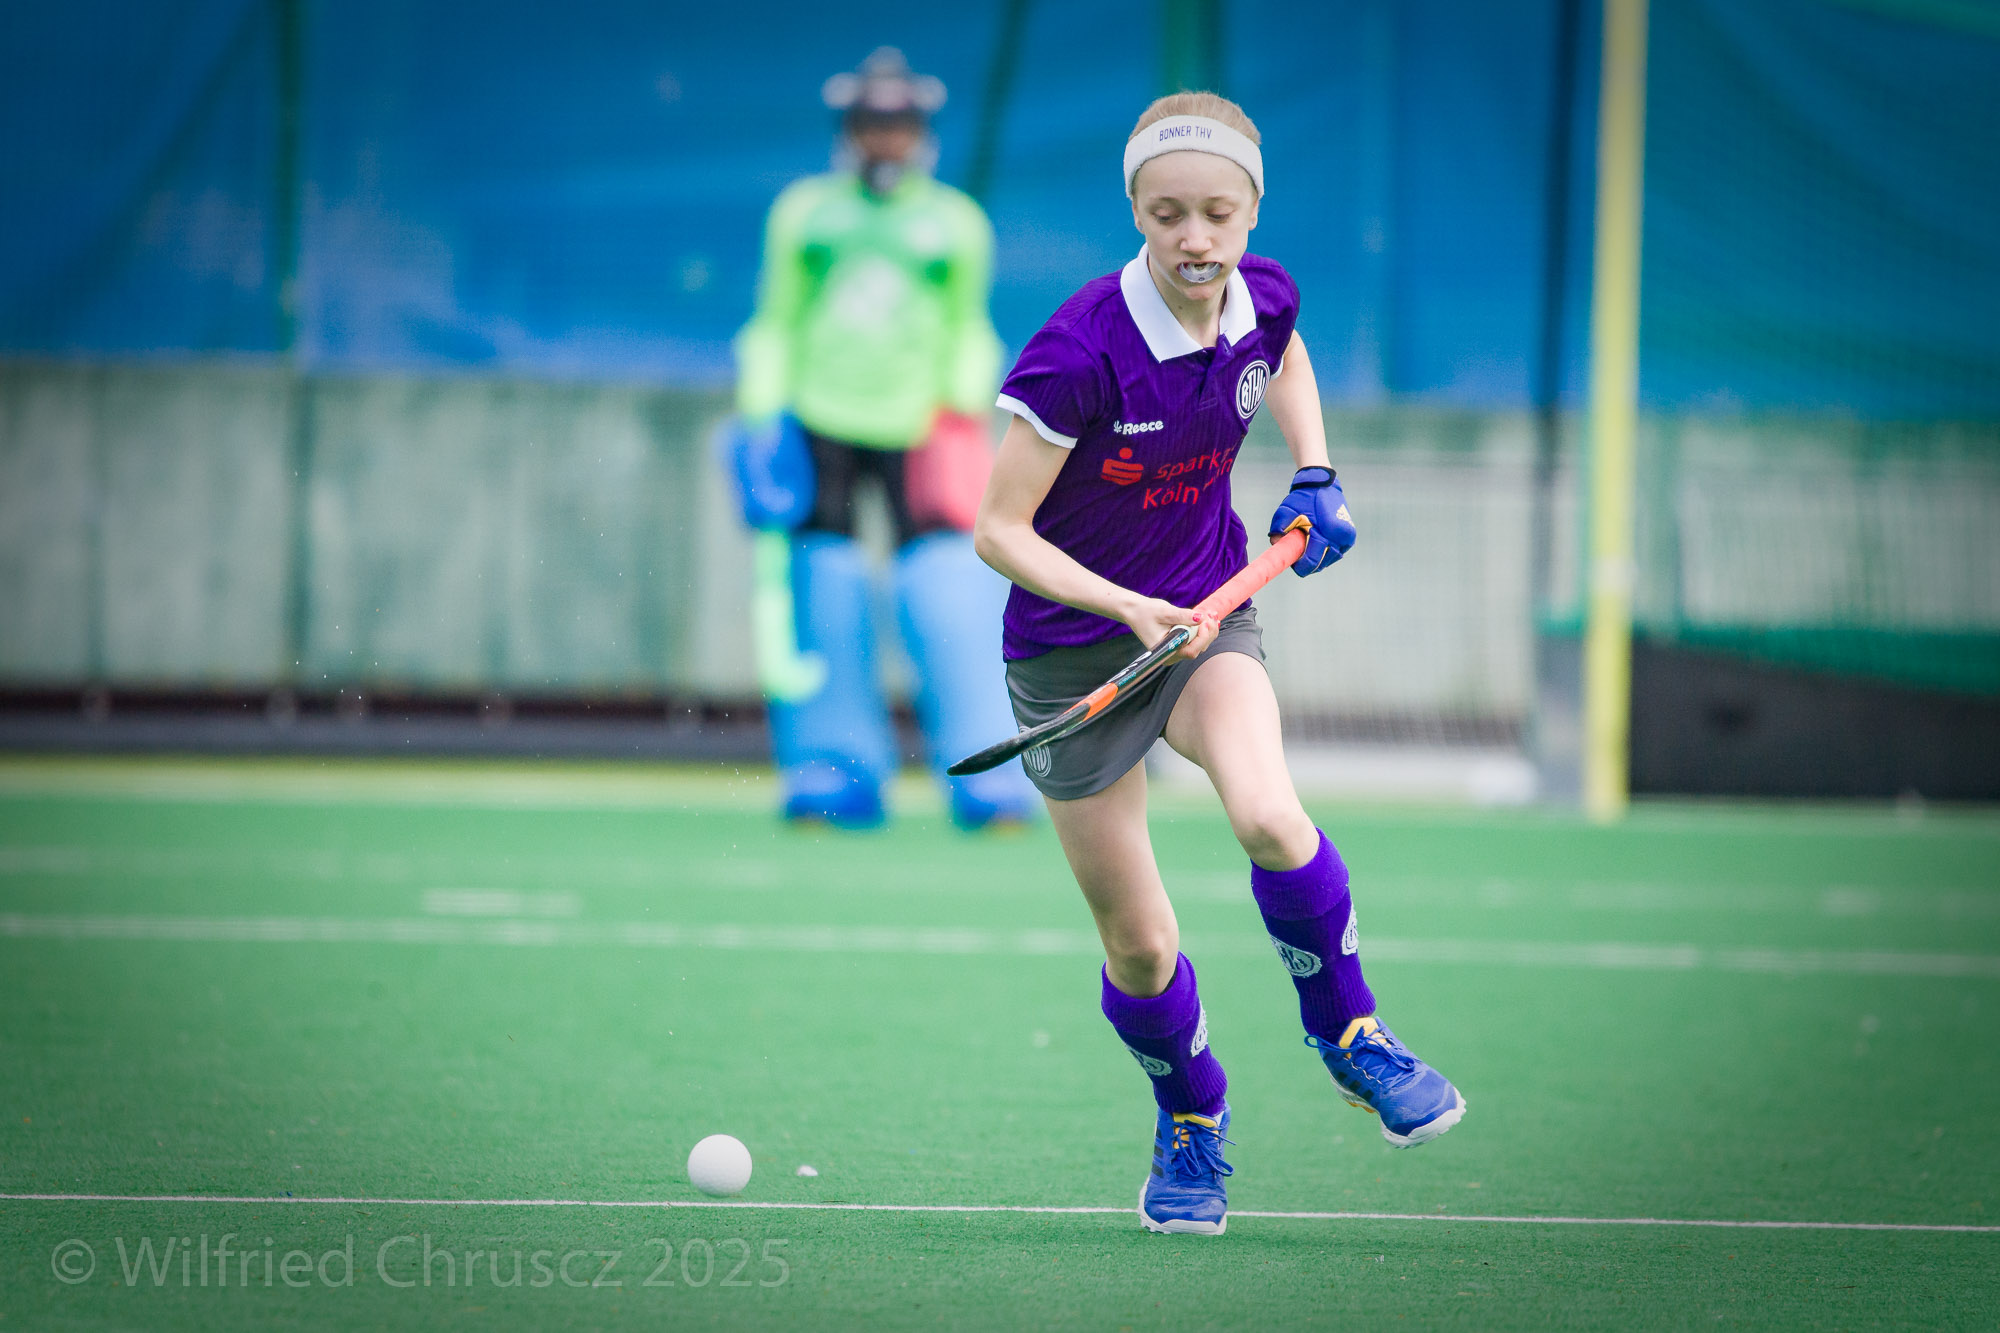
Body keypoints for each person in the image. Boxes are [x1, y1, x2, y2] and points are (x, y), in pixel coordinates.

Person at [972, 92, 1466, 1236]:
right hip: (1072, 658)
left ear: (1250, 210)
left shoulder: (1264, 293)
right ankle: (1190, 1111)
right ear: (1134, 212)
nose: (1193, 239)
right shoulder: (1078, 351)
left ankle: (1350, 1031)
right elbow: (998, 530)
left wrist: (1313, 468)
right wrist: (1119, 604)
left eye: (1215, 214)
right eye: (1166, 215)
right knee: (1140, 945)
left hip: (1203, 618)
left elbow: (1277, 356)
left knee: (1269, 816)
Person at [730, 48, 1036, 830]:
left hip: (922, 428)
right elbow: (777, 319)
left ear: (921, 132)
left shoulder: (955, 223)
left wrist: (961, 408)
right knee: (822, 587)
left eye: (899, 124)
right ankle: (830, 771)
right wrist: (764, 412)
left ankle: (988, 776)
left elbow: (968, 325)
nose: (885, 139)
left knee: (950, 589)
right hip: (818, 422)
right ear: (849, 130)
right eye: (871, 123)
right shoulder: (806, 214)